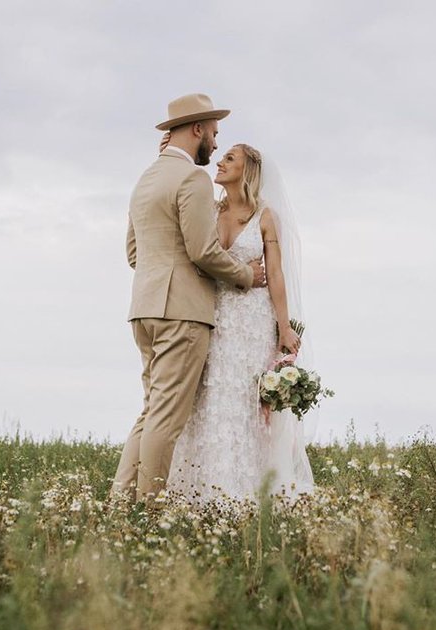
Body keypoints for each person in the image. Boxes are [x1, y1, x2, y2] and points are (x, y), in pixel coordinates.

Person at [112, 93, 267, 506]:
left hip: (143, 310)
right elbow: (202, 249)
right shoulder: (192, 179)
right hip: (182, 314)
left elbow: (133, 254)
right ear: (197, 129)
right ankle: (148, 511)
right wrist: (245, 275)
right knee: (165, 419)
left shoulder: (146, 178)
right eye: (214, 134)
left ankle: (120, 505)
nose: (216, 145)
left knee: (149, 414)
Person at [167, 143, 316, 506]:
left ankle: (249, 493)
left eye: (229, 158)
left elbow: (276, 275)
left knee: (246, 403)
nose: (220, 161)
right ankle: (202, 493)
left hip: (252, 321)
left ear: (247, 170)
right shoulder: (210, 210)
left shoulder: (266, 216)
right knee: (210, 399)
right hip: (213, 317)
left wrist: (284, 328)